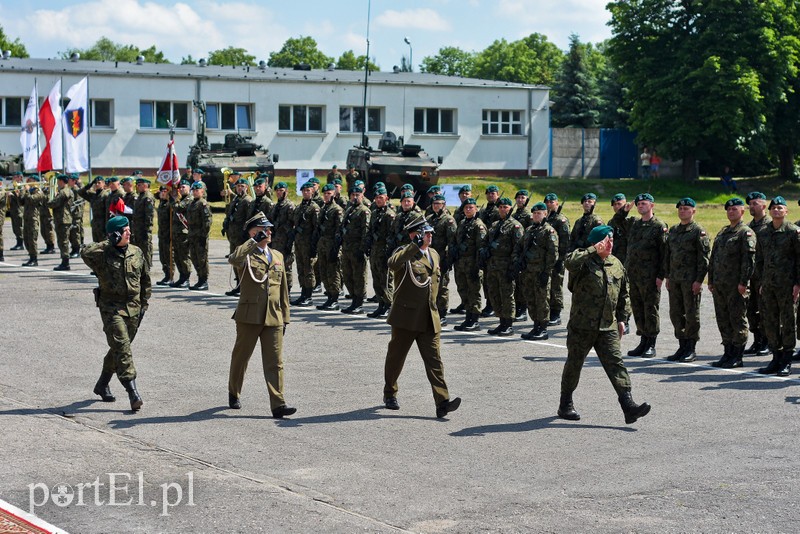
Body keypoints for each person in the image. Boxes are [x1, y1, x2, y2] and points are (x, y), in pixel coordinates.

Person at [558, 225, 651, 425]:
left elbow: (624, 294)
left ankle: (629, 406)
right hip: (582, 325)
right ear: (596, 242)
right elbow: (568, 263)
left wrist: (623, 319)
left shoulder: (616, 264)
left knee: (616, 364)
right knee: (574, 364)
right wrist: (593, 250)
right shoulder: (583, 261)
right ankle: (565, 403)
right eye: (605, 241)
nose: (610, 245)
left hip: (607, 327)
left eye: (611, 241)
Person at [382, 214, 461, 419]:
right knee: (396, 358)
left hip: (428, 317)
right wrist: (412, 247)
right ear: (414, 235)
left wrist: (441, 307)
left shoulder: (434, 253)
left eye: (430, 232)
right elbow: (392, 264)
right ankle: (390, 392)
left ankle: (442, 402)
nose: (429, 236)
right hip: (406, 317)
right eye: (425, 233)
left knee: (435, 361)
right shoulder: (405, 253)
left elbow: (438, 283)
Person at [227, 211, 296, 418]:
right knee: (242, 357)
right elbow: (234, 259)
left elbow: (283, 289)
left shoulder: (277, 256)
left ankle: (278, 404)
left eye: (268, 229)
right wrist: (251, 242)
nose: (268, 232)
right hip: (249, 315)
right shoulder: (246, 253)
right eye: (262, 230)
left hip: (273, 315)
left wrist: (285, 317)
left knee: (275, 361)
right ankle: (234, 391)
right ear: (253, 232)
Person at [81, 215, 151, 412]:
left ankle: (102, 384)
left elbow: (145, 280)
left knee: (119, 349)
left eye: (128, 229)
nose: (129, 232)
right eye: (124, 230)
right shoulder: (103, 254)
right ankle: (133, 392)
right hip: (111, 307)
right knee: (122, 347)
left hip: (134, 308)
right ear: (116, 234)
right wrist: (109, 240)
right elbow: (85, 252)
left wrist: (144, 305)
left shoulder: (136, 252)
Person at [754, 196, 800, 376]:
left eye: (780, 208)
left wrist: (797, 283)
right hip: (768, 285)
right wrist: (761, 281)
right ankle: (776, 357)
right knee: (770, 321)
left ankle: (786, 360)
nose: (776, 210)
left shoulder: (793, 231)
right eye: (774, 208)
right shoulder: (764, 232)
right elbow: (760, 259)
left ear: (786, 211)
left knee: (787, 322)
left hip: (787, 286)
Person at [708, 198, 756, 368]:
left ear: (742, 211)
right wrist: (711, 279)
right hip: (720, 285)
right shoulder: (723, 232)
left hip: (736, 286)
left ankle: (737, 355)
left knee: (737, 319)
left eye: (734, 209)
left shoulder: (745, 233)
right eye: (728, 209)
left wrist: (744, 282)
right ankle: (727, 352)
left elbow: (748, 261)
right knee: (723, 319)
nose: (731, 212)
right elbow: (714, 258)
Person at [664, 198, 710, 362]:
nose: (682, 211)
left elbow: (703, 259)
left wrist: (699, 280)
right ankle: (682, 345)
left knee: (691, 314)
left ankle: (691, 347)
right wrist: (668, 276)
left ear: (693, 211)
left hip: (690, 281)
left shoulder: (698, 231)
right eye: (680, 208)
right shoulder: (674, 230)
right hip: (675, 279)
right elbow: (668, 256)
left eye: (686, 208)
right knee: (675, 313)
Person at [624, 193, 668, 358]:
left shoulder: (658, 226)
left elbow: (664, 253)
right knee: (637, 307)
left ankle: (651, 343)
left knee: (650, 308)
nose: (640, 206)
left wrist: (661, 275)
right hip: (634, 275)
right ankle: (643, 340)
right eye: (639, 204)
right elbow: (616, 223)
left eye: (644, 203)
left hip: (650, 276)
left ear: (652, 205)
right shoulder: (635, 224)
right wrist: (624, 211)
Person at [513, 202, 558, 340]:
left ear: (545, 214)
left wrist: (547, 271)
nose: (536, 215)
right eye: (534, 213)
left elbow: (553, 254)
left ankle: (543, 328)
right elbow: (519, 247)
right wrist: (517, 260)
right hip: (528, 271)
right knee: (530, 299)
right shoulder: (529, 230)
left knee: (542, 300)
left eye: (539, 213)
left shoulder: (549, 231)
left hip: (541, 272)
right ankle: (536, 325)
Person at [481, 197, 523, 336]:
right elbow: (486, 242)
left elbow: (518, 247)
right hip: (493, 265)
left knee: (507, 295)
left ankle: (508, 324)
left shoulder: (515, 226)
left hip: (506, 265)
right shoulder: (494, 225)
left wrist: (513, 266)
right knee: (494, 294)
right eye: (500, 207)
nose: (503, 209)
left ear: (511, 208)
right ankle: (501, 321)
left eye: (505, 207)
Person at [452, 198, 488, 331]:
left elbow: (481, 247)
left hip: (472, 264)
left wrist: (477, 266)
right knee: (463, 290)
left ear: (476, 209)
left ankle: (474, 319)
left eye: (471, 207)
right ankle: (468, 317)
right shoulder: (462, 223)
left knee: (474, 292)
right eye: (466, 207)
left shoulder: (479, 225)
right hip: (461, 263)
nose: (468, 210)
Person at [744, 192, 770, 355]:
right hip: (751, 276)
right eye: (750, 204)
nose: (752, 207)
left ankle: (768, 341)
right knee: (751, 309)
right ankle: (757, 340)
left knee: (766, 309)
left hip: (765, 276)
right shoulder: (749, 227)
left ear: (764, 205)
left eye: (755, 203)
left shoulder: (770, 226)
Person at [366, 186, 396, 318]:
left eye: (381, 198)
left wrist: (389, 252)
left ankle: (389, 306)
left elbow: (392, 234)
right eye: (377, 198)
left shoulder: (390, 215)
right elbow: (371, 231)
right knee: (376, 280)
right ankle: (381, 304)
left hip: (384, 251)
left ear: (386, 198)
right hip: (375, 251)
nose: (378, 200)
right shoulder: (374, 213)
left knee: (386, 280)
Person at [340, 185, 371, 314]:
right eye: (353, 195)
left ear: (362, 196)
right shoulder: (349, 210)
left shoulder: (364, 211)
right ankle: (353, 299)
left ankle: (359, 302)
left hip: (357, 248)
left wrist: (362, 249)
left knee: (359, 276)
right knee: (347, 275)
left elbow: (366, 231)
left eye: (357, 194)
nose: (355, 197)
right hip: (347, 248)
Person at [427, 194, 457, 325]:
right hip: (429, 257)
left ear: (444, 205)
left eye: (438, 204)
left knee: (442, 286)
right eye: (434, 204)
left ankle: (442, 313)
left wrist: (448, 259)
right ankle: (431, 311)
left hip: (442, 257)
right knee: (430, 286)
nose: (436, 206)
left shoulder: (448, 220)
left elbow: (452, 241)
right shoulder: (429, 219)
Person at [314, 184, 344, 310]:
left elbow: (339, 230)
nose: (326, 196)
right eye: (325, 193)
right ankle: (329, 296)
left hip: (332, 244)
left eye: (329, 193)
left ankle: (335, 298)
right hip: (322, 244)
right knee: (324, 271)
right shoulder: (323, 208)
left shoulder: (337, 209)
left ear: (334, 194)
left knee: (333, 272)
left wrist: (336, 248)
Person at [291, 182, 320, 306]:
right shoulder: (299, 207)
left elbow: (316, 228)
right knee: (300, 268)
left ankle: (309, 295)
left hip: (308, 243)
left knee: (308, 269)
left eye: (308, 190)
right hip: (299, 243)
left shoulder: (314, 208)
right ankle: (303, 293)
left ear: (312, 192)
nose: (306, 193)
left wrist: (314, 245)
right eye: (304, 191)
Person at [544, 193, 571, 326]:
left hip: (557, 259)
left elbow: (565, 241)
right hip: (545, 259)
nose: (549, 204)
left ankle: (556, 313)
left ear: (557, 203)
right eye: (547, 202)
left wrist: (561, 259)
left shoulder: (561, 220)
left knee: (555, 286)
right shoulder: (545, 218)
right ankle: (548, 311)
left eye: (552, 201)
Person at [186, 181, 213, 291]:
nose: (195, 192)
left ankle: (204, 280)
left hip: (200, 236)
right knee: (194, 257)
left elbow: (207, 221)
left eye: (197, 190)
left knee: (202, 259)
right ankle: (199, 278)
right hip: (192, 235)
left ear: (202, 191)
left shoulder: (203, 204)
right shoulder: (192, 203)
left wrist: (203, 235)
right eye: (194, 190)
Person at [168, 180, 193, 288]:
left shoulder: (189, 199)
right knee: (177, 256)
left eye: (183, 187)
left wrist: (172, 199)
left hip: (184, 232)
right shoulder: (181, 199)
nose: (181, 189)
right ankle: (182, 277)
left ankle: (186, 278)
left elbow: (179, 207)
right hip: (177, 232)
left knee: (184, 256)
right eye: (180, 188)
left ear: (188, 188)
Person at [48, 174, 74, 271]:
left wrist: (47, 200)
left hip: (63, 219)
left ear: (62, 181)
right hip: (61, 219)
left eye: (58, 181)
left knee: (63, 241)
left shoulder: (64, 192)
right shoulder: (63, 191)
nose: (57, 183)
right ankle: (64, 261)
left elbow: (54, 203)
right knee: (62, 241)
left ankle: (65, 262)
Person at [19, 177, 47, 267]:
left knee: (32, 240)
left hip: (33, 219)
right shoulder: (30, 191)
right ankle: (31, 256)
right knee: (26, 240)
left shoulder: (39, 192)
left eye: (30, 181)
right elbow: (21, 202)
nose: (28, 182)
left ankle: (34, 259)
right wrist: (22, 192)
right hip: (26, 218)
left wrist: (27, 191)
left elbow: (32, 200)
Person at [131, 177, 155, 271]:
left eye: (139, 185)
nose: (137, 186)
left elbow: (149, 215)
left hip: (143, 229)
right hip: (138, 228)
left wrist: (147, 230)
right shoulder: (140, 196)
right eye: (137, 185)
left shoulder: (147, 197)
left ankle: (146, 270)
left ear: (145, 185)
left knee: (145, 250)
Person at [155, 185, 174, 285]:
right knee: (162, 256)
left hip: (168, 234)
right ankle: (166, 275)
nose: (162, 193)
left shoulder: (170, 205)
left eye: (165, 191)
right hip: (161, 234)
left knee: (169, 255)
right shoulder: (161, 204)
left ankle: (171, 276)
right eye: (161, 191)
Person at [67, 173, 85, 257]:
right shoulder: (71, 188)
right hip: (72, 214)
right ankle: (74, 248)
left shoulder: (76, 189)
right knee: (72, 232)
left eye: (69, 180)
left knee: (76, 232)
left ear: (74, 181)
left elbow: (77, 202)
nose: (68, 182)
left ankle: (77, 250)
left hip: (76, 213)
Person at [8, 171, 25, 251]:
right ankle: (18, 242)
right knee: (15, 227)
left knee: (19, 227)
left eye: (15, 176)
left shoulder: (22, 187)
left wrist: (13, 194)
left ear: (20, 177)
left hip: (19, 210)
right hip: (13, 210)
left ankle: (20, 244)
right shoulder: (14, 186)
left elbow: (21, 198)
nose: (13, 178)